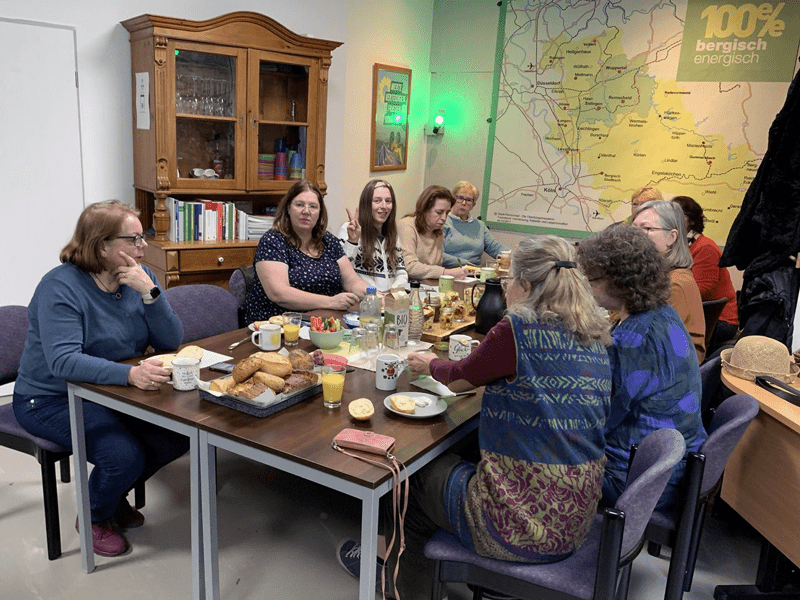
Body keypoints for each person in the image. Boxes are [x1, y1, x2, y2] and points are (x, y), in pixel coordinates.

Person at [338, 236, 613, 599]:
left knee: (409, 478)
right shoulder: (595, 334)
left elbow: (461, 376)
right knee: (454, 456)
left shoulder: (517, 331)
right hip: (575, 517)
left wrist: (429, 363)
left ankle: (396, 585)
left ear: (526, 286)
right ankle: (407, 569)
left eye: (509, 280)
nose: (506, 287)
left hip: (520, 526)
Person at [12, 200, 189, 557]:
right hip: (49, 397)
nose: (143, 247)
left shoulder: (141, 276)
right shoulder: (59, 286)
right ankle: (94, 516)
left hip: (110, 390)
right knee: (122, 455)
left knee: (174, 437)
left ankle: (109, 496)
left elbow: (171, 341)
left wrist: (150, 293)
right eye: (134, 239)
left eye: (144, 238)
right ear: (101, 245)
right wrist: (130, 374)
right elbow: (63, 362)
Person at [576, 225, 707, 512]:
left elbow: (596, 418)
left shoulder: (632, 340)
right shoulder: (663, 314)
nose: (585, 285)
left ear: (620, 282)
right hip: (672, 467)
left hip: (635, 479)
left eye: (592, 279)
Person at [242, 181, 368, 322]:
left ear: (320, 212)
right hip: (279, 327)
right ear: (288, 208)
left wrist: (374, 294)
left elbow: (351, 281)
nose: (306, 211)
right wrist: (331, 302)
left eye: (313, 206)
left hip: (324, 323)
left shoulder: (329, 240)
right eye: (299, 204)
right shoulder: (272, 241)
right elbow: (279, 293)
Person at [633, 200, 706, 363]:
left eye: (647, 229)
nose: (634, 235)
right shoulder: (654, 273)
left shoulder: (675, 284)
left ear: (671, 236)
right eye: (634, 228)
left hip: (670, 374)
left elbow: (650, 345)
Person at [672, 195, 739, 354]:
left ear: (693, 221)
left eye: (677, 215)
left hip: (720, 321)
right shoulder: (682, 246)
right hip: (700, 315)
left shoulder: (705, 247)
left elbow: (702, 288)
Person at [337, 179, 408, 292]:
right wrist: (352, 242)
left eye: (388, 201)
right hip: (362, 300)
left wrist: (391, 294)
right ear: (366, 204)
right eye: (377, 201)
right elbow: (341, 272)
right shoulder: (348, 230)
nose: (384, 206)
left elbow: (401, 272)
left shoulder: (392, 235)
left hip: (389, 300)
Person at [398, 185, 467, 280]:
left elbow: (435, 267)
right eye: (439, 212)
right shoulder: (407, 225)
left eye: (447, 213)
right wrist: (445, 272)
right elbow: (410, 267)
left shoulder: (438, 230)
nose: (444, 218)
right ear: (425, 210)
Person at [442, 180, 508, 267]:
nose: (464, 203)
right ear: (453, 200)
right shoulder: (443, 222)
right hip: (449, 272)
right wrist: (464, 263)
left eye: (468, 200)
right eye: (460, 198)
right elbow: (437, 255)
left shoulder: (479, 225)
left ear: (473, 205)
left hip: (474, 274)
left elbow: (494, 247)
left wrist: (514, 255)